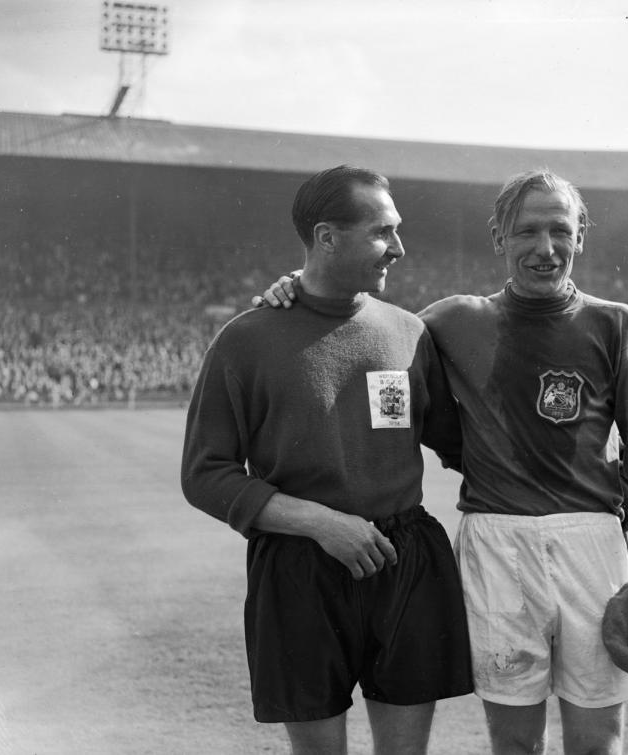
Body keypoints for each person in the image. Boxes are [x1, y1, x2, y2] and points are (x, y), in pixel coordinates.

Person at [256, 168, 628, 755]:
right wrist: (296, 287)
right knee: (513, 745)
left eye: (561, 230)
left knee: (597, 743)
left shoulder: (615, 324)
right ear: (498, 237)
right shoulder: (451, 322)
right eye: (526, 232)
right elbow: (365, 325)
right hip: (496, 543)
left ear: (581, 234)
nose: (546, 248)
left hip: (592, 544)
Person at [181, 165, 473, 755]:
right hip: (297, 568)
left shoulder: (409, 332)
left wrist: (593, 477)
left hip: (404, 560)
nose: (399, 247)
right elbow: (204, 474)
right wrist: (318, 522)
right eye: (382, 232)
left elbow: (463, 444)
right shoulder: (246, 340)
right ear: (327, 237)